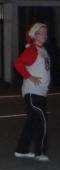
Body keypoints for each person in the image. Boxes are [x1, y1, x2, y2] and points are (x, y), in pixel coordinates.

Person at [14, 22, 51, 162]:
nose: (45, 35)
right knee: (42, 120)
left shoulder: (43, 50)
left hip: (40, 93)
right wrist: (29, 77)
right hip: (32, 92)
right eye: (41, 32)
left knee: (32, 122)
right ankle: (40, 152)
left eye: (46, 32)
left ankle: (21, 150)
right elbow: (18, 63)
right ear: (34, 35)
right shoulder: (32, 50)